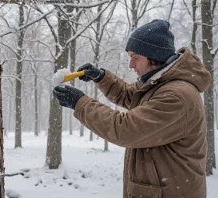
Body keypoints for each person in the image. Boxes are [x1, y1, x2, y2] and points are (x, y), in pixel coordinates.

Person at [53, 19, 210, 198]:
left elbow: (125, 129)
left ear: (155, 56)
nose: (131, 65)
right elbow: (130, 95)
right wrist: (101, 77)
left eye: (136, 58)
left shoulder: (176, 96)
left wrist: (79, 103)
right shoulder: (159, 84)